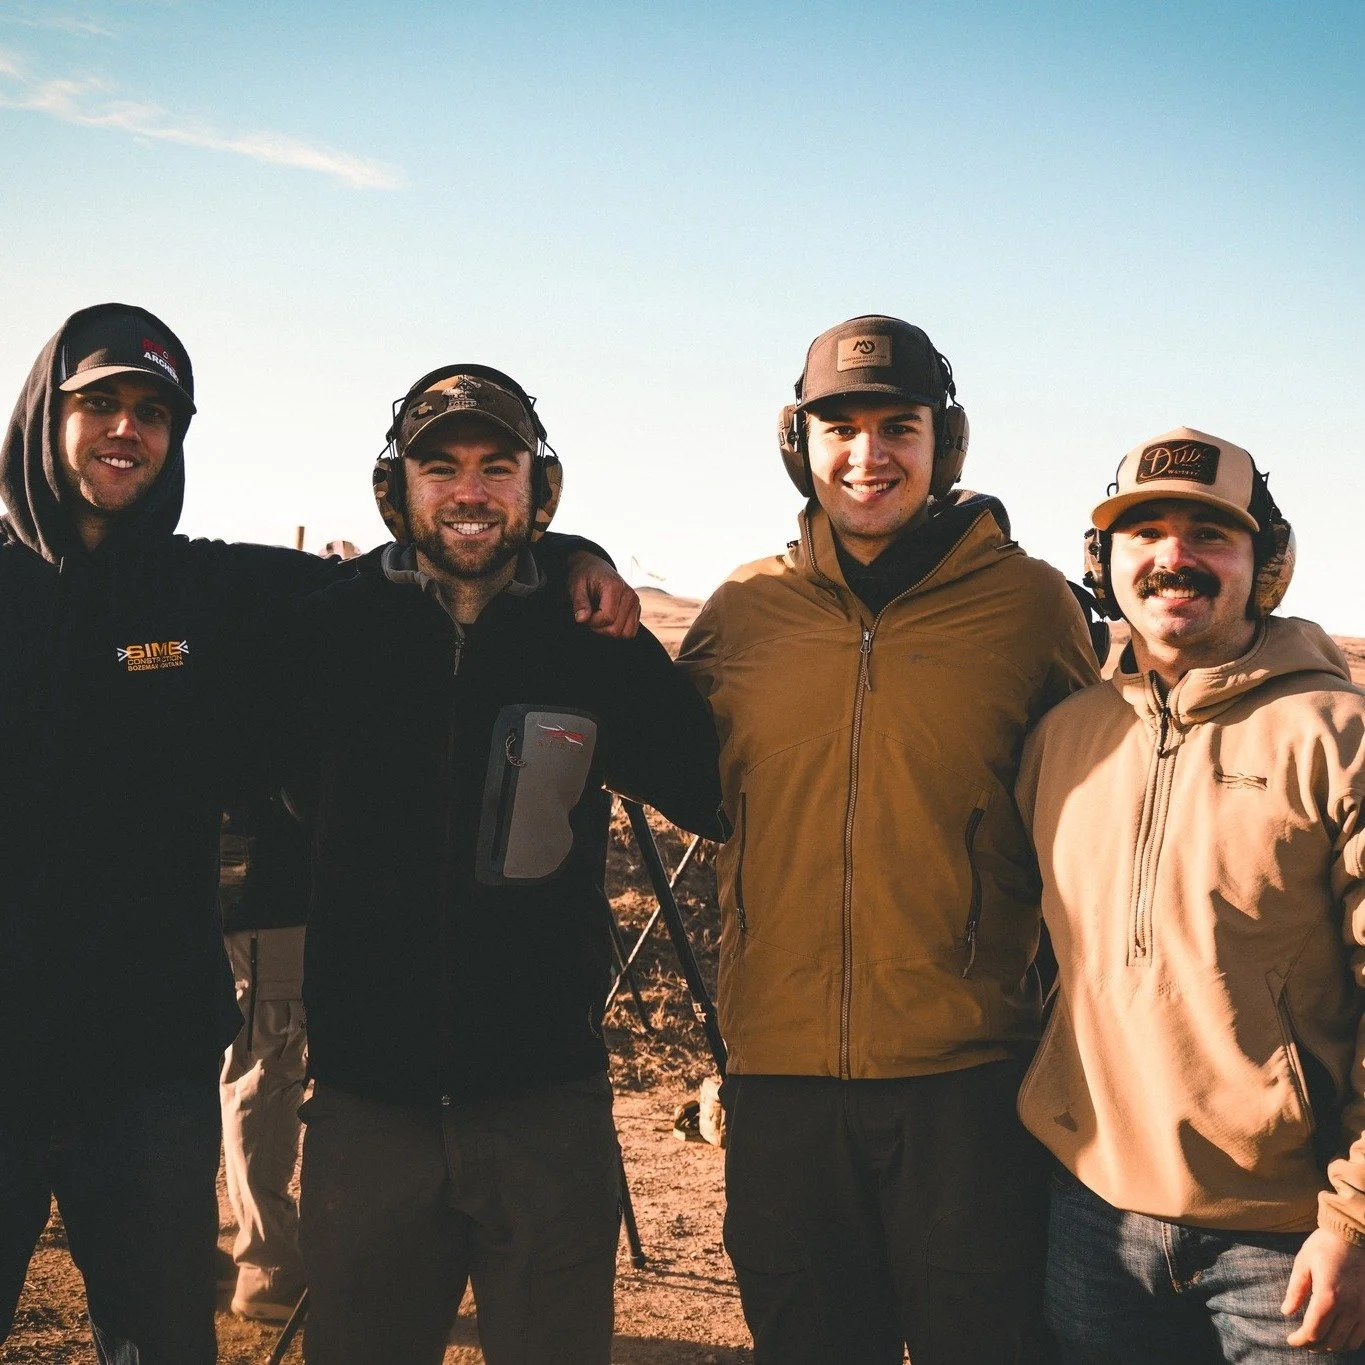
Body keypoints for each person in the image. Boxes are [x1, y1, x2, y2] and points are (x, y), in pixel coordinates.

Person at [0, 304, 638, 1363]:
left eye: (153, 411)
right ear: (42, 414)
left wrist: (570, 546)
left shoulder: (215, 588)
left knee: (162, 1343)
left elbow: (446, 552)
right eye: (100, 403)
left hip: (147, 1076)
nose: (127, 430)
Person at [281, 363, 726, 1364]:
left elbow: (711, 792)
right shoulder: (324, 631)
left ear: (540, 488)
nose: (471, 493)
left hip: (544, 1109)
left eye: (499, 467)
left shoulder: (590, 637)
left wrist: (585, 567)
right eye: (441, 468)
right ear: (395, 488)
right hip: (367, 1111)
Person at [677, 314, 1098, 1363]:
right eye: (840, 429)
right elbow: (673, 767)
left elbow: (1098, 810)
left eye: (897, 427)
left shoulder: (1032, 606)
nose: (869, 456)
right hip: (780, 1080)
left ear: (942, 444)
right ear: (799, 447)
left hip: (966, 1080)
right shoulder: (743, 610)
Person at [1016, 427, 1365, 1362]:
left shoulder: (1336, 737)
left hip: (1286, 1239)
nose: (1174, 558)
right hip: (1091, 1217)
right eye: (1144, 533)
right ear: (1104, 561)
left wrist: (1355, 1221)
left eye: (1209, 535)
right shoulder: (1063, 736)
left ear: (1266, 563)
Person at [217, 793, 312, 1322]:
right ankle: (268, 1267)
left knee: (239, 1066)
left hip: (243, 891)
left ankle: (192, 1249)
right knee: (263, 1074)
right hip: (268, 897)